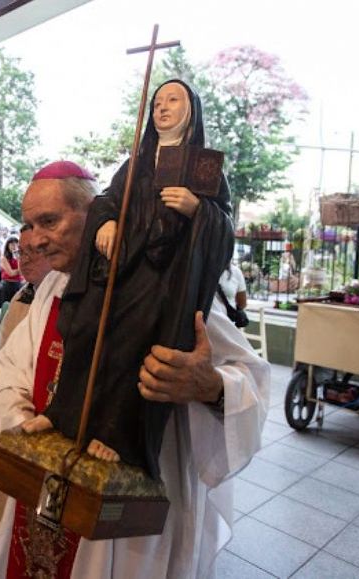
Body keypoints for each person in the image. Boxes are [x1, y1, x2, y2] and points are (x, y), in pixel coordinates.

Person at [0, 160, 269, 578]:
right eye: (28, 225)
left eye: (49, 221)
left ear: (97, 211)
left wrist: (209, 386)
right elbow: (12, 370)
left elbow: (252, 380)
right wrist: (27, 432)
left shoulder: (165, 288)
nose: (35, 240)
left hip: (129, 513)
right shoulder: (54, 289)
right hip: (47, 484)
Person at [44, 80, 235, 476]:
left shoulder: (204, 166)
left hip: (166, 281)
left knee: (135, 345)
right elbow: (108, 200)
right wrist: (108, 221)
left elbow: (224, 228)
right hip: (123, 266)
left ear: (191, 111)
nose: (162, 107)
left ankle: (117, 434)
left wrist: (198, 209)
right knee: (85, 326)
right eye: (157, 101)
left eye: (173, 100)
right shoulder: (138, 163)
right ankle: (66, 415)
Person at [0, 225, 52, 562]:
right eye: (21, 251)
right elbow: (4, 358)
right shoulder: (22, 295)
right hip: (15, 420)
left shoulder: (67, 300)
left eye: (37, 251)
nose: (25, 259)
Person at [0, 236, 23, 308]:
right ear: (7, 246)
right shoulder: (4, 257)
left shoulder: (20, 257)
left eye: (16, 244)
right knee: (6, 309)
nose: (14, 246)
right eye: (12, 244)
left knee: (17, 309)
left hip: (18, 284)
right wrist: (19, 270)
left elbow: (22, 272)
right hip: (7, 285)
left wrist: (18, 259)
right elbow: (11, 273)